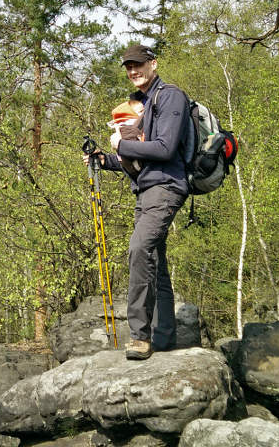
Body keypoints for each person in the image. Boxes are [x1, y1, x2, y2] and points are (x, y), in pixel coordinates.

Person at [83, 43, 190, 360]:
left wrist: (121, 144)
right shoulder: (142, 104)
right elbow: (140, 159)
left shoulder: (171, 97)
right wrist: (105, 158)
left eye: (138, 64)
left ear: (153, 64)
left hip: (167, 187)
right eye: (128, 66)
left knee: (139, 248)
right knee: (155, 262)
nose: (133, 71)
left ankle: (141, 337)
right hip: (146, 190)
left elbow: (165, 149)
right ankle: (166, 336)